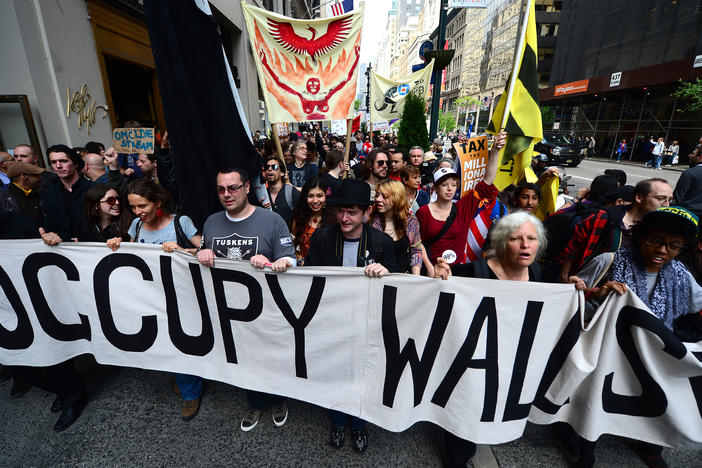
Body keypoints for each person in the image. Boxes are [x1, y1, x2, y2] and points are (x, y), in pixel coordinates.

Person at [568, 206, 702, 468]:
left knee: (659, 396)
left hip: (654, 353)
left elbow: (696, 306)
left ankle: (651, 447)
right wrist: (596, 294)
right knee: (597, 399)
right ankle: (586, 450)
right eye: (655, 241)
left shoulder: (681, 276)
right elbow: (574, 299)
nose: (662, 251)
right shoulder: (609, 261)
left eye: (674, 246)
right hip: (609, 349)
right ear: (641, 236)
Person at [432, 211, 547, 467]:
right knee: (465, 409)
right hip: (471, 361)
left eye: (532, 238)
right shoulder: (473, 271)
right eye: (517, 239)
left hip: (507, 358)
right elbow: (437, 293)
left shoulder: (538, 272)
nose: (526, 245)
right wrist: (439, 276)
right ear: (502, 242)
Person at [196, 167, 295, 432]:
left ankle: (278, 399)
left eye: (233, 188)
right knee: (243, 359)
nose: (227, 194)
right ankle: (255, 401)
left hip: (267, 309)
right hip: (229, 310)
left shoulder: (272, 221)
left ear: (247, 187)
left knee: (272, 356)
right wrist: (202, 253)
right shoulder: (212, 222)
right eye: (221, 189)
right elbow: (203, 254)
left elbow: (290, 260)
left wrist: (274, 262)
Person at [304, 178, 397, 453]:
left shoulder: (381, 243)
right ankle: (337, 421)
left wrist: (386, 273)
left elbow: (397, 284)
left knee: (361, 377)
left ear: (367, 213)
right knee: (334, 373)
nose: (344, 218)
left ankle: (358, 424)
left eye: (352, 212)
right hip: (331, 321)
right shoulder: (322, 237)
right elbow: (309, 277)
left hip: (365, 323)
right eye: (341, 211)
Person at [106, 179, 202, 420]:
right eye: (133, 207)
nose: (138, 212)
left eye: (143, 206)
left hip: (181, 296)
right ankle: (186, 378)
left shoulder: (180, 222)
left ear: (157, 202)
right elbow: (130, 254)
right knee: (165, 343)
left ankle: (191, 392)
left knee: (180, 342)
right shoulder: (137, 225)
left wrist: (182, 250)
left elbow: (205, 250)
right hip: (149, 297)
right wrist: (117, 245)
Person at [416, 130, 505, 273]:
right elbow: (417, 243)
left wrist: (494, 151)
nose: (449, 189)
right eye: (444, 185)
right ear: (436, 188)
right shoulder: (423, 212)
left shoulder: (464, 207)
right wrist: (429, 267)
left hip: (458, 272)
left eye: (453, 184)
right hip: (432, 272)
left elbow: (487, 180)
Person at [557, 178, 674, 282]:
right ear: (639, 198)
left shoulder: (656, 229)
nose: (667, 205)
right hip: (589, 285)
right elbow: (575, 245)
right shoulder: (605, 217)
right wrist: (564, 275)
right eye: (661, 199)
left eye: (670, 200)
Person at [368, 179, 423, 274]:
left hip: (403, 278)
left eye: (384, 196)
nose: (378, 199)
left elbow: (416, 251)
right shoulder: (371, 221)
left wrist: (415, 280)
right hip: (378, 277)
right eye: (377, 195)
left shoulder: (410, 222)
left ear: (397, 198)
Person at [41, 145, 94, 242]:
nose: (58, 166)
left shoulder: (93, 189)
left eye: (63, 161)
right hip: (61, 248)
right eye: (53, 162)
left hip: (90, 247)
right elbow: (48, 223)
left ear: (76, 164)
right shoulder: (49, 194)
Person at [291, 177, 329, 265]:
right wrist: (300, 260)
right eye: (310, 196)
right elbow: (291, 247)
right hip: (304, 273)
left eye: (320, 196)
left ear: (326, 197)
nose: (315, 201)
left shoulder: (334, 221)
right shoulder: (298, 219)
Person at [263, 156, 299, 228]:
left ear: (282, 173)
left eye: (274, 167)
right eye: (267, 167)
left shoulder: (291, 192)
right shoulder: (262, 196)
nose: (269, 169)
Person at [673, 145, 702, 221]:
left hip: (688, 216)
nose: (690, 155)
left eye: (693, 153)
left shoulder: (690, 173)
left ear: (700, 157)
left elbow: (678, 197)